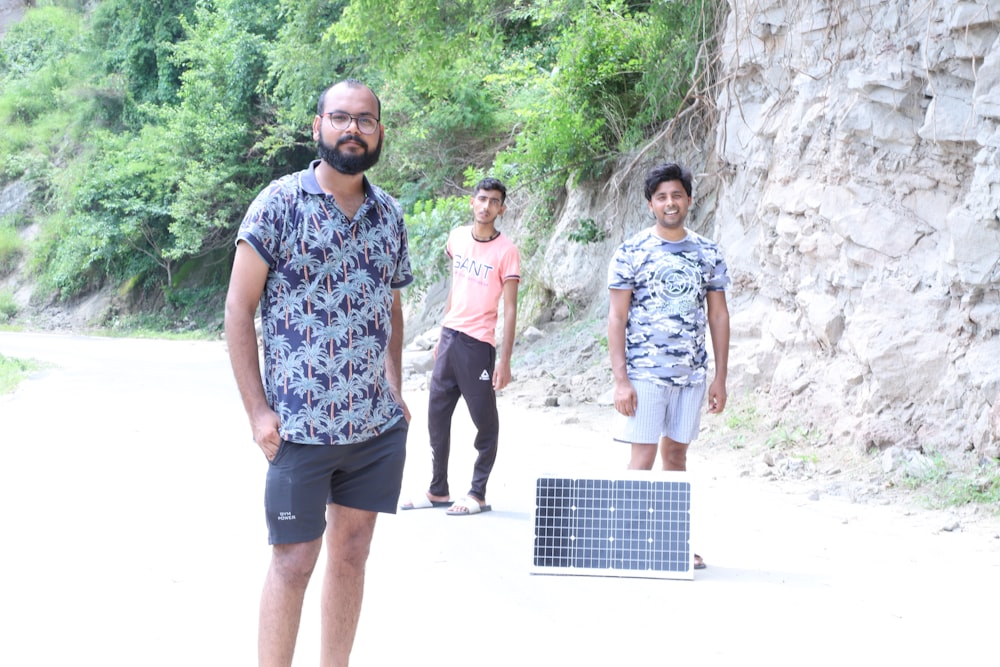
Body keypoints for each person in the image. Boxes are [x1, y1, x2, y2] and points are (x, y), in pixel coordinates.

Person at [224, 79, 412, 667]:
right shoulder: (278, 203)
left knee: (352, 554)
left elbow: (392, 305)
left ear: (380, 132)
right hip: (299, 429)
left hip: (374, 433)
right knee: (293, 560)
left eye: (365, 119)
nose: (353, 128)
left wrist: (395, 387)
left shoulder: (390, 215)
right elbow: (237, 307)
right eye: (340, 117)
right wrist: (258, 410)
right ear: (318, 127)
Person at [606, 161, 730, 570]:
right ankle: (628, 542)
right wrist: (621, 380)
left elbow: (718, 316)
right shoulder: (632, 252)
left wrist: (720, 378)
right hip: (644, 375)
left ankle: (674, 542)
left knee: (676, 457)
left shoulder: (707, 252)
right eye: (661, 197)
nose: (670, 202)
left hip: (691, 375)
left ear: (689, 200)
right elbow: (617, 318)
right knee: (642, 459)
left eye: (677, 195)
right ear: (650, 205)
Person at [400, 177, 521, 516]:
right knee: (436, 417)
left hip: (478, 345)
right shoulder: (456, 238)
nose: (486, 206)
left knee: (485, 422)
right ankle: (438, 490)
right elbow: (455, 286)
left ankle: (477, 493)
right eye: (481, 199)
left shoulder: (506, 252)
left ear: (502, 208)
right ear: (472, 202)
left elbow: (510, 308)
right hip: (451, 338)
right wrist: (441, 335)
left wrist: (505, 360)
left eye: (494, 201)